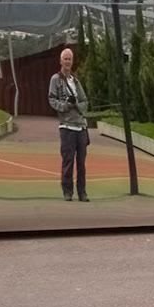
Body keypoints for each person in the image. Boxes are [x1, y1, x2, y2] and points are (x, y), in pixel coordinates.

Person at [46, 47, 90, 202]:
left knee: (81, 163)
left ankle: (82, 192)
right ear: (60, 61)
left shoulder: (76, 81)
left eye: (70, 59)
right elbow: (52, 99)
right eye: (65, 58)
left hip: (81, 127)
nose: (67, 61)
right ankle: (67, 192)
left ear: (72, 62)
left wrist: (76, 104)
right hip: (67, 127)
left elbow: (85, 101)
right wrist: (65, 106)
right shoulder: (55, 79)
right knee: (68, 161)